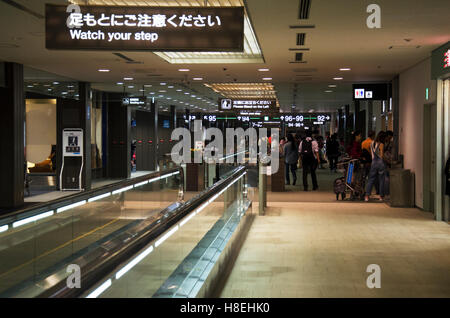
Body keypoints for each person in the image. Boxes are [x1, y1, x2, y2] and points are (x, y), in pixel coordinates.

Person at [365, 131, 387, 202]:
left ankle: (367, 196)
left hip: (373, 163)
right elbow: (381, 155)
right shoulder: (381, 144)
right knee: (381, 180)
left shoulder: (371, 143)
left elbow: (371, 153)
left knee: (371, 179)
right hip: (380, 163)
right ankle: (381, 196)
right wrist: (388, 161)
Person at [383, 130, 395, 197]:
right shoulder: (383, 143)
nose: (390, 139)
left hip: (386, 161)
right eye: (389, 137)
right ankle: (386, 192)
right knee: (386, 177)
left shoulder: (389, 143)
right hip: (385, 161)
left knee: (385, 177)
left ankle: (385, 192)